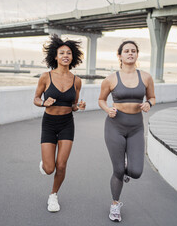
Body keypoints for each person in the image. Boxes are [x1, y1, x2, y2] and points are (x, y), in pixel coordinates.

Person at [98, 40, 155, 222]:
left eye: (133, 51)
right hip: (115, 126)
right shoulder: (111, 79)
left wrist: (148, 103)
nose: (130, 53)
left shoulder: (145, 77)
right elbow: (101, 100)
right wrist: (108, 109)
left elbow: (152, 97)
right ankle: (115, 205)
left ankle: (125, 167)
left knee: (136, 172)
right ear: (119, 55)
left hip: (136, 127)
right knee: (118, 171)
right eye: (126, 51)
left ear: (137, 55)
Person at [33, 34, 86, 212]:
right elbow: (36, 98)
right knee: (49, 169)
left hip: (66, 123)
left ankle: (53, 195)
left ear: (73, 57)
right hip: (49, 123)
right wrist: (43, 103)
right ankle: (45, 163)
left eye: (68, 53)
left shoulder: (77, 80)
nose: (65, 55)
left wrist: (79, 106)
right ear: (55, 56)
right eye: (61, 52)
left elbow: (73, 106)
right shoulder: (46, 77)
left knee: (61, 165)